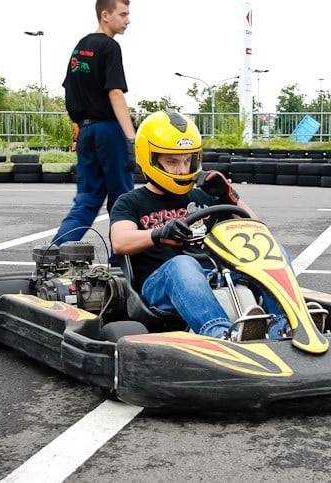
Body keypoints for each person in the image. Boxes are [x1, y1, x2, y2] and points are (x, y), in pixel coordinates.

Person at [109, 109, 273, 341]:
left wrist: (230, 197)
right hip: (160, 288)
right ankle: (221, 333)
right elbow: (120, 241)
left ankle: (284, 325)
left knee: (269, 254)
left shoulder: (204, 196)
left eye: (188, 161)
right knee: (182, 264)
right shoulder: (131, 201)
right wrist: (157, 234)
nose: (183, 169)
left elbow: (257, 233)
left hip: (215, 276)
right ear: (150, 159)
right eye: (172, 162)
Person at [54, 0, 136, 250]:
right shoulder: (110, 46)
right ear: (105, 15)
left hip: (86, 131)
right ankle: (123, 261)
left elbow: (69, 89)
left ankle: (57, 251)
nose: (127, 20)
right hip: (109, 130)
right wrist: (131, 138)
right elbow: (115, 93)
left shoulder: (81, 47)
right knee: (123, 199)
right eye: (123, 14)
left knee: (87, 198)